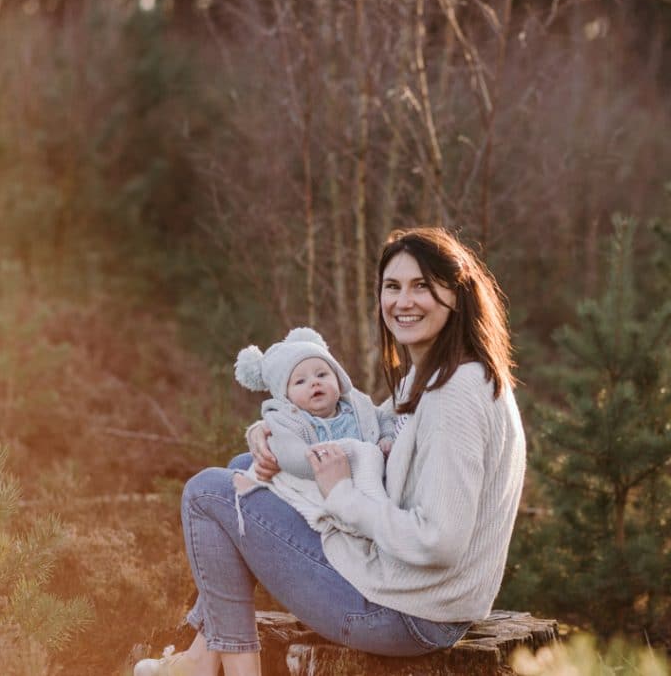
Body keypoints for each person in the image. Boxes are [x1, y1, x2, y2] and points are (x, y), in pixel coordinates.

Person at [135, 227, 526, 676]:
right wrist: (270, 431)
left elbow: (439, 540)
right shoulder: (438, 377)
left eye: (423, 286)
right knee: (245, 469)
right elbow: (369, 427)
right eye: (392, 287)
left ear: (456, 294)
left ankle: (215, 666)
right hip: (422, 598)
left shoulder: (453, 396)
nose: (404, 301)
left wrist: (342, 497)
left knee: (206, 494)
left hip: (407, 614)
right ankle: (204, 658)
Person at [231, 326, 394, 534]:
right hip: (322, 487)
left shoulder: (357, 406)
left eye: (322, 374)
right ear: (285, 397)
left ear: (338, 378)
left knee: (232, 468)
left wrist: (387, 437)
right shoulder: (288, 423)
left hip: (366, 489)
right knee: (239, 463)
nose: (314, 382)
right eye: (300, 381)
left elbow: (383, 418)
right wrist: (319, 463)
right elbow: (290, 456)